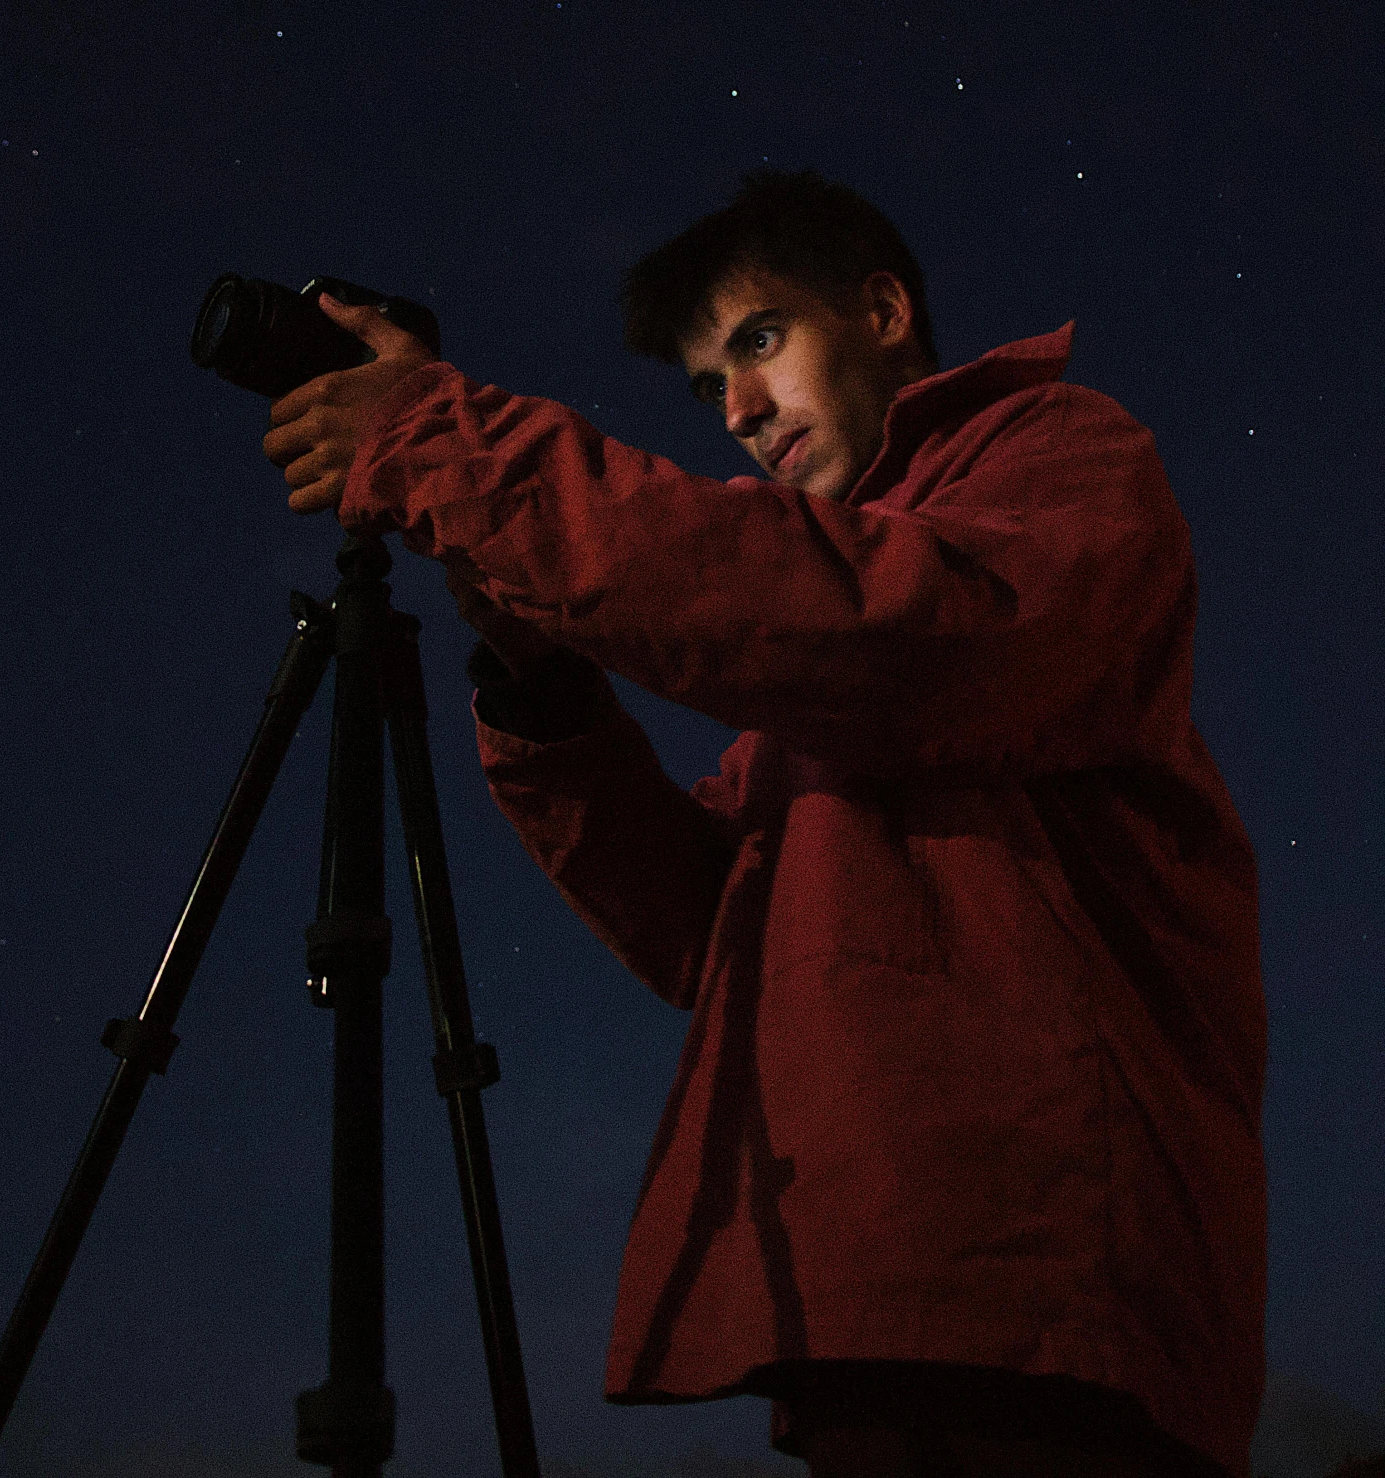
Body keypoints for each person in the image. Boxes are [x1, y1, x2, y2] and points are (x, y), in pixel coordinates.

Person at [261, 168, 1267, 1478]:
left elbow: (917, 639)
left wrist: (458, 447)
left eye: (756, 340)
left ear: (883, 308)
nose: (733, 409)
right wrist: (540, 678)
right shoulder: (814, 679)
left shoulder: (1059, 453)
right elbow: (701, 927)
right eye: (702, 386)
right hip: (870, 1276)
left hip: (1051, 1286)